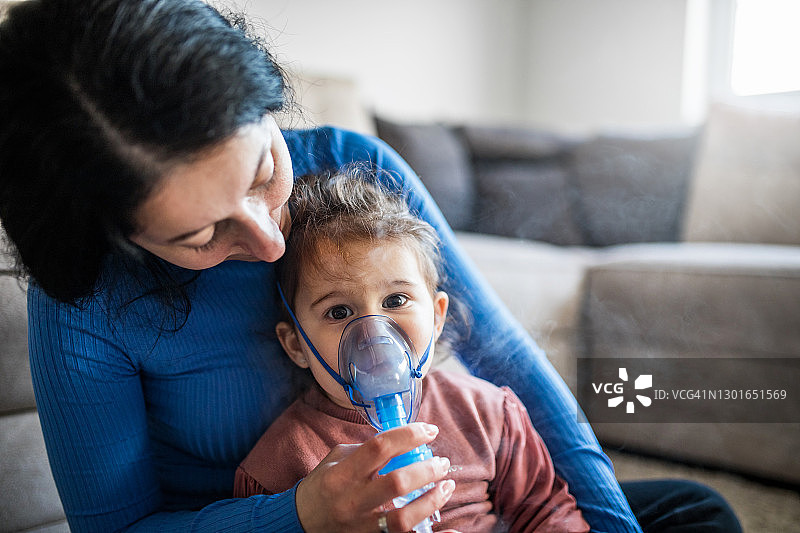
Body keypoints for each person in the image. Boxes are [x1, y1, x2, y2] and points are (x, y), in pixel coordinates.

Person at [0, 0, 741, 532]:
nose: (268, 242)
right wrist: (298, 514)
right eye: (201, 234)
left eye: (264, 171)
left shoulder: (353, 167)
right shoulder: (86, 300)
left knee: (690, 508)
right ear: (118, 241)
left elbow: (506, 358)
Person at [234, 171, 591, 533]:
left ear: (437, 317)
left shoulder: (486, 413)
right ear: (297, 345)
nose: (373, 336)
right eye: (339, 312)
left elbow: (548, 513)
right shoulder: (279, 464)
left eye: (395, 300)